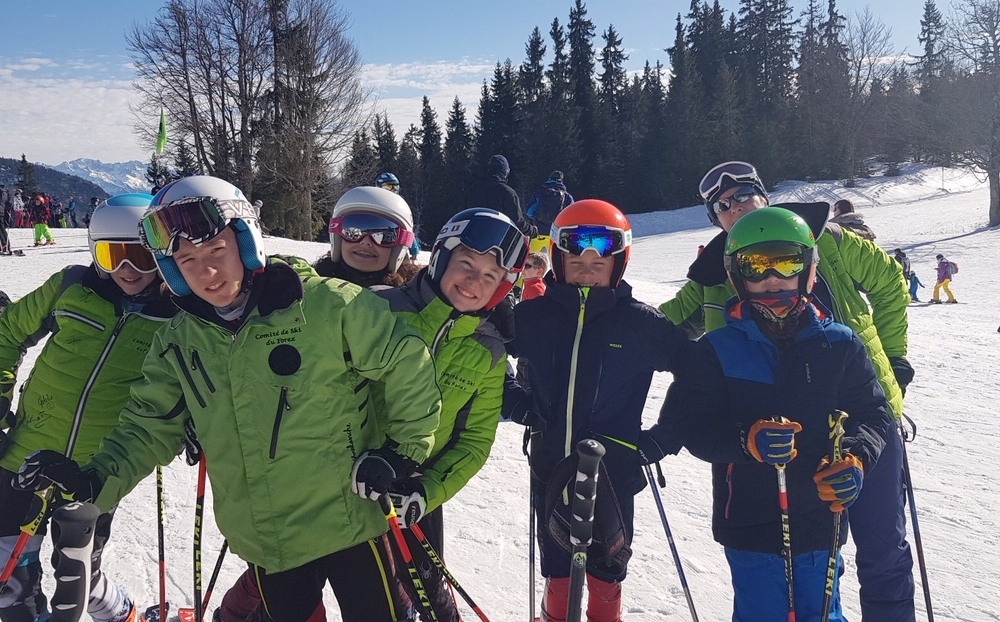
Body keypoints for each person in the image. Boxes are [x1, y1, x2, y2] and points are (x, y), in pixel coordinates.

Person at [12, 175, 443, 622]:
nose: (205, 272)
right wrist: (93, 481)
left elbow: (405, 362)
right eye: (186, 259)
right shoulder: (178, 340)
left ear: (246, 242)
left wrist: (400, 453)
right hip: (268, 541)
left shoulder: (326, 306)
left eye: (216, 251)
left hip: (352, 523)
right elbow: (146, 428)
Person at [660, 160, 915, 621]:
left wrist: (893, 362)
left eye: (742, 195)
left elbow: (888, 282)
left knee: (881, 549)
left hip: (857, 412)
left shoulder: (829, 240)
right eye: (723, 203)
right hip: (765, 449)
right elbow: (665, 326)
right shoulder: (714, 275)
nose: (734, 206)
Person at [216, 185, 424, 622]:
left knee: (401, 573)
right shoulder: (298, 296)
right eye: (355, 230)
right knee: (278, 570)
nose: (367, 243)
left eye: (383, 234)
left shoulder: (413, 305)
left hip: (381, 474)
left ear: (402, 245)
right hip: (300, 478)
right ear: (335, 235)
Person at [504, 199, 688, 622]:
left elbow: (699, 378)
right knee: (557, 563)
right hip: (550, 467)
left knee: (608, 566)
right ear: (557, 255)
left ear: (620, 258)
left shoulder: (641, 323)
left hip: (616, 472)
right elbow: (486, 354)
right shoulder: (532, 318)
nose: (588, 261)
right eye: (575, 248)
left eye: (601, 251)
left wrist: (663, 438)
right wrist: (516, 400)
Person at [0, 193, 175, 622]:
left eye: (141, 256)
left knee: (76, 577)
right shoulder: (71, 287)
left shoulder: (177, 317)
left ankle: (121, 612)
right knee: (9, 581)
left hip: (96, 473)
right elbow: (7, 333)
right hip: (24, 456)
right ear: (95, 251)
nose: (128, 271)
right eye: (112, 256)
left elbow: (190, 383)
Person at [374, 207, 528, 622]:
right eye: (466, 264)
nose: (474, 281)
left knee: (425, 584)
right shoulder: (376, 310)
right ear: (441, 258)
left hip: (413, 491)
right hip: (346, 480)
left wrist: (428, 492)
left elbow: (474, 442)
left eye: (490, 276)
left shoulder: (489, 351)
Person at [313, 186, 420, 287]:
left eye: (383, 237)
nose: (365, 242)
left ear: (399, 248)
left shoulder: (414, 300)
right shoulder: (308, 288)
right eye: (354, 233)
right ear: (337, 237)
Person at [470, 154, 531, 236]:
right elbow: (517, 223)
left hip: (473, 236)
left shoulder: (474, 189)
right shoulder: (508, 193)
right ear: (505, 171)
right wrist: (532, 230)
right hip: (497, 239)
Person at [524, 171, 575, 253]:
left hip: (539, 232)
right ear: (561, 181)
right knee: (553, 262)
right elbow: (572, 217)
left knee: (535, 259)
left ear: (549, 179)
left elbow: (529, 212)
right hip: (557, 235)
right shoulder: (567, 197)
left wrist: (537, 217)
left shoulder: (539, 193)